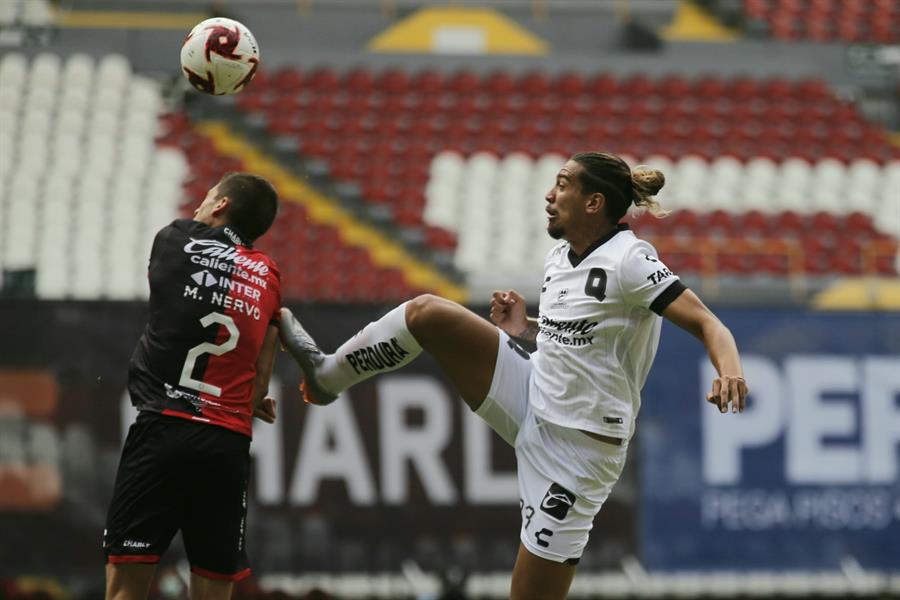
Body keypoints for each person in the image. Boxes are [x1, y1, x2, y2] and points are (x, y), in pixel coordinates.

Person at [279, 151, 748, 600]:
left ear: (593, 202)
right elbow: (580, 338)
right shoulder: (559, 256)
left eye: (562, 184)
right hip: (530, 391)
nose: (549, 194)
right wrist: (527, 329)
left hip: (577, 455)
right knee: (427, 313)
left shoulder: (631, 259)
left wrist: (730, 372)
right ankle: (326, 377)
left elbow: (709, 323)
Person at [104, 173, 282, 600]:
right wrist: (249, 398)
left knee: (125, 588)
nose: (199, 206)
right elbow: (261, 372)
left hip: (162, 430)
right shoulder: (269, 274)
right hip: (227, 445)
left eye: (207, 198)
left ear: (220, 205)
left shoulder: (175, 239)